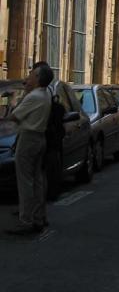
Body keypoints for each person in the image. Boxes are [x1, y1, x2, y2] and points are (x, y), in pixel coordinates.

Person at [6, 63, 53, 235]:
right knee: (37, 180)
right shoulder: (47, 93)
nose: (29, 76)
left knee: (25, 181)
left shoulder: (33, 96)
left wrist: (18, 98)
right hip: (40, 138)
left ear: (38, 79)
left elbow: (14, 116)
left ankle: (26, 220)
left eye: (32, 74)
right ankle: (39, 217)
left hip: (28, 138)